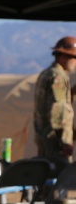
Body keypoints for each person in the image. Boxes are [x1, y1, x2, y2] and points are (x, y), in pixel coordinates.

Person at [34, 36, 76, 168]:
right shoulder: (57, 77)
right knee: (58, 183)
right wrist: (63, 143)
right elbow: (57, 112)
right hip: (55, 146)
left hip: (47, 141)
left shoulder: (48, 74)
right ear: (64, 57)